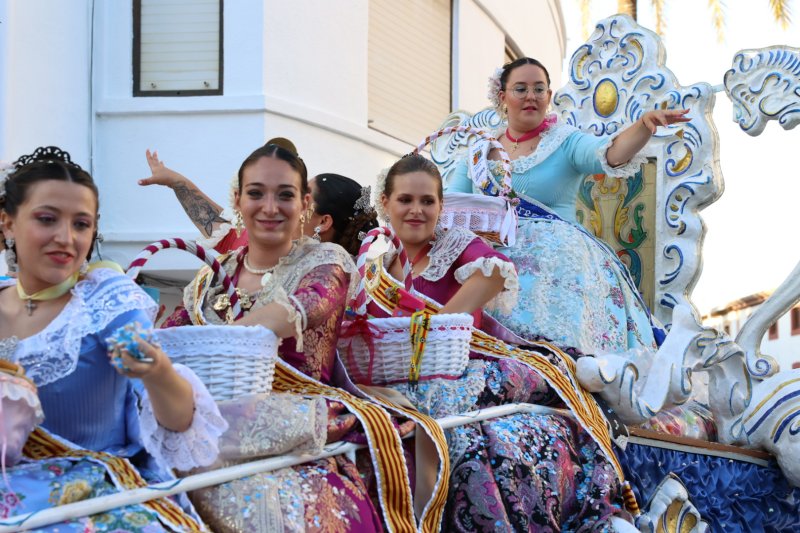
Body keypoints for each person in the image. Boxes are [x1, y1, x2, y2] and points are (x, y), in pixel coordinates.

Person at [363, 153, 635, 531]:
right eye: (405, 200)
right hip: (399, 379)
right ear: (386, 203)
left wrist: (436, 325)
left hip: (467, 365)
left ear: (441, 206)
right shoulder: (375, 267)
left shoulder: (454, 245)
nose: (417, 210)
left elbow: (493, 275)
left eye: (428, 201)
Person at [164, 142, 394, 532]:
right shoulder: (213, 275)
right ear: (238, 200)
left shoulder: (326, 262)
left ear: (304, 203)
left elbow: (298, 310)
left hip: (292, 418)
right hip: (203, 416)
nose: (270, 207)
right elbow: (169, 336)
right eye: (256, 193)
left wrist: (214, 343)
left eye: (285, 195)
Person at [0, 146, 227, 531]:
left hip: (88, 500)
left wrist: (157, 371)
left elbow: (178, 420)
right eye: (47, 219)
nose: (65, 238)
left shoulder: (106, 301)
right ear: (7, 223)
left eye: (81, 224)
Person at [446, 57, 690, 355]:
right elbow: (448, 206)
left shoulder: (564, 141)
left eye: (539, 89)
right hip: (488, 256)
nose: (531, 96)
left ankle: (554, 358)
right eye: (520, 89)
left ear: (549, 96)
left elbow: (611, 153)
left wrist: (643, 126)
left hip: (554, 261)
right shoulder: (478, 151)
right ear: (503, 96)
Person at [139, 140, 378, 255]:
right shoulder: (258, 244)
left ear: (324, 222)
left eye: (293, 195)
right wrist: (176, 182)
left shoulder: (330, 274)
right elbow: (215, 225)